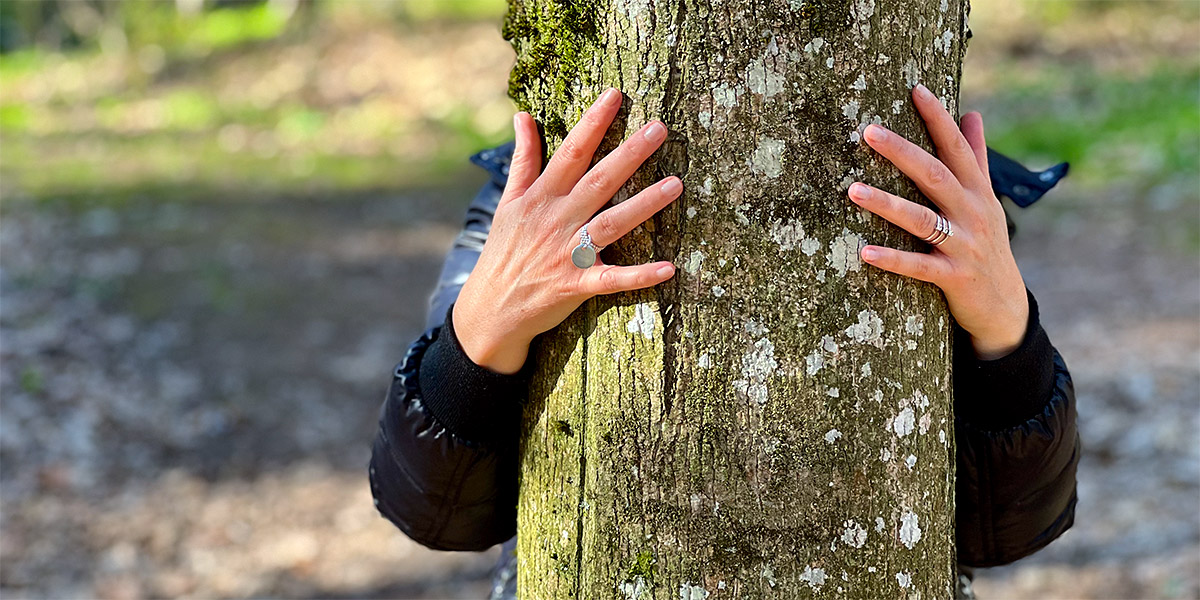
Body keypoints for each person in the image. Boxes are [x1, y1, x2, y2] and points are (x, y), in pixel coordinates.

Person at [368, 85, 1079, 600]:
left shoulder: (944, 190)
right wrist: (482, 328)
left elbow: (1007, 532)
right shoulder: (533, 197)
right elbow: (432, 511)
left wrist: (1010, 333)